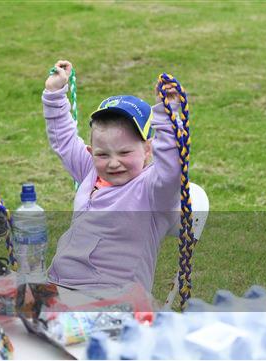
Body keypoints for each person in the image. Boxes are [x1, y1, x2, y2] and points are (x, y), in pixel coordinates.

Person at [42, 60, 182, 291]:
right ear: (91, 152)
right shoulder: (91, 170)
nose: (114, 162)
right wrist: (54, 93)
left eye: (125, 152)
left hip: (112, 300)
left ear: (149, 149)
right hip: (58, 287)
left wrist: (166, 116)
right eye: (103, 154)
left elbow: (170, 171)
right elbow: (64, 141)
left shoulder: (153, 192)